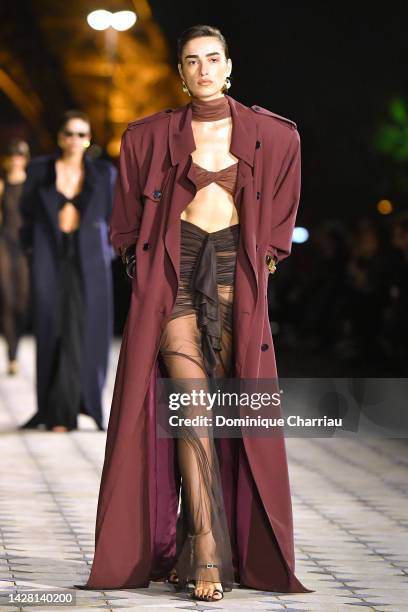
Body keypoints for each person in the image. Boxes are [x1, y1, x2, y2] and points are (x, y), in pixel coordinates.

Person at [78, 25, 312, 601]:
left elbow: (280, 222)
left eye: (213, 58)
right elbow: (127, 222)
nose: (204, 69)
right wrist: (146, 273)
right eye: (192, 61)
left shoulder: (274, 137)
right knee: (192, 407)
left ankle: (198, 539)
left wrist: (266, 261)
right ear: (179, 73)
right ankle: (207, 548)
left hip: (235, 275)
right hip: (175, 276)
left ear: (229, 65)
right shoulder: (147, 137)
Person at [19, 110, 116, 432]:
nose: (75, 140)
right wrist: (31, 250)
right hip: (50, 257)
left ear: (89, 140)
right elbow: (25, 215)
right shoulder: (39, 171)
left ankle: (74, 408)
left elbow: (118, 217)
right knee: (52, 327)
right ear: (60, 137)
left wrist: (109, 251)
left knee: (83, 331)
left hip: (89, 260)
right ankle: (55, 408)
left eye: (81, 135)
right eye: (69, 134)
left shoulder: (104, 173)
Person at [0, 139, 30, 375]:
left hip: (25, 247)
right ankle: (12, 356)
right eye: (12, 154)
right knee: (7, 299)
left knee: (21, 302)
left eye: (20, 154)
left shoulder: (31, 185)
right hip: (4, 244)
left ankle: (16, 345)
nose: (16, 158)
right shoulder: (2, 185)